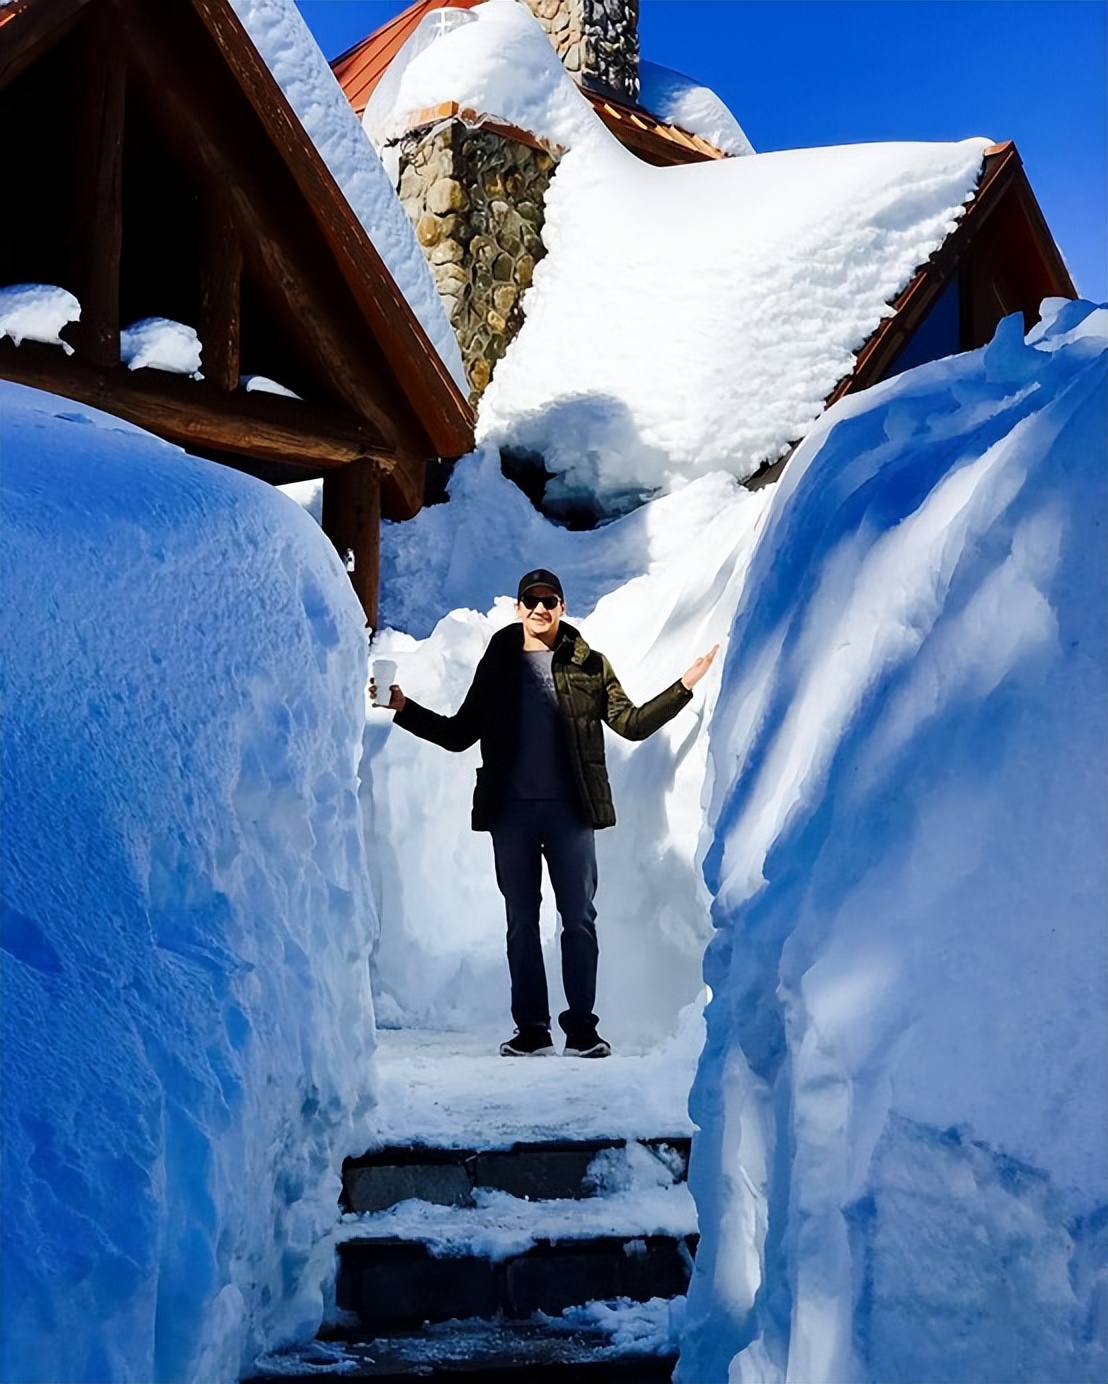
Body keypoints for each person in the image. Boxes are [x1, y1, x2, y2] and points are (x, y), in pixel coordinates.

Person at [372, 568, 718, 1059]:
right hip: (510, 812)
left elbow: (632, 724)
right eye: (530, 601)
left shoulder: (588, 665)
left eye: (549, 601)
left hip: (571, 813)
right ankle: (532, 1029)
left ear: (562, 607)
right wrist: (403, 707)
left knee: (578, 919)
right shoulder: (498, 665)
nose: (539, 609)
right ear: (518, 608)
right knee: (521, 921)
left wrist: (684, 685)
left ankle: (582, 1030)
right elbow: (458, 734)